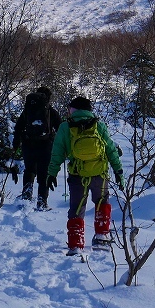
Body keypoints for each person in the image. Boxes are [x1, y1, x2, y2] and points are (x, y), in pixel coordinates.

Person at [47, 95, 124, 255]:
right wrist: (118, 171)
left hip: (77, 174)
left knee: (76, 208)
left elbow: (57, 153)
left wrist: (51, 173)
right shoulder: (99, 126)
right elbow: (111, 149)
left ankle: (75, 244)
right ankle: (102, 236)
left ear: (72, 110)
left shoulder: (65, 127)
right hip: (99, 173)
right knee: (102, 202)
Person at [12, 86, 62, 210]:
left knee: (29, 169)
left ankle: (27, 194)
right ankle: (42, 201)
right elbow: (60, 129)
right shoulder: (51, 111)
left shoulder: (27, 110)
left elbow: (18, 127)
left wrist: (16, 143)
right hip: (45, 145)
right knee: (44, 173)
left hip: (28, 144)